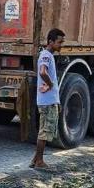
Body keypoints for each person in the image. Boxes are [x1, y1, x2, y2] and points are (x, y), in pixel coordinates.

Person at [31, 28, 64, 170]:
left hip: (50, 100)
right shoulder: (46, 55)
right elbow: (42, 71)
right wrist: (50, 85)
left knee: (44, 130)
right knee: (45, 132)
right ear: (51, 42)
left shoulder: (47, 55)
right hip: (47, 102)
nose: (61, 45)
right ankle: (39, 161)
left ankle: (35, 160)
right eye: (59, 42)